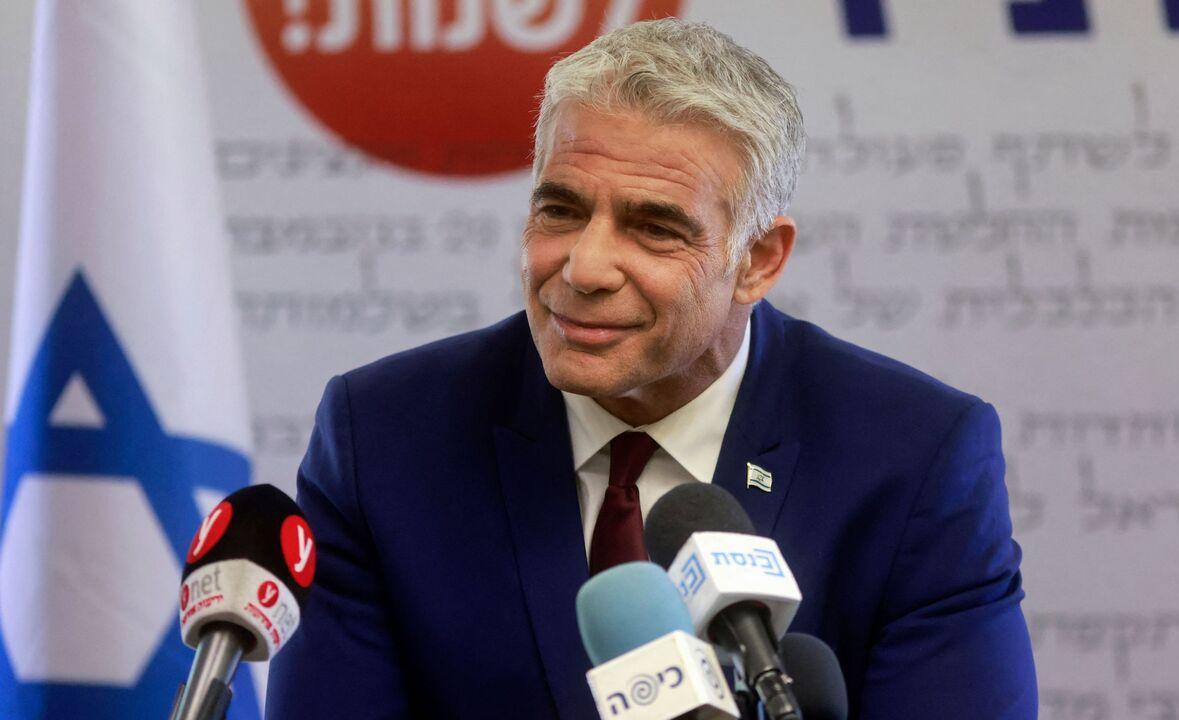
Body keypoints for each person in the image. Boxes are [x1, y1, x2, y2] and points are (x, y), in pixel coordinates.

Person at [265, 18, 1036, 719]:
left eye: (654, 226)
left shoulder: (915, 458)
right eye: (560, 210)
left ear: (757, 262)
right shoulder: (388, 437)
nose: (585, 267)